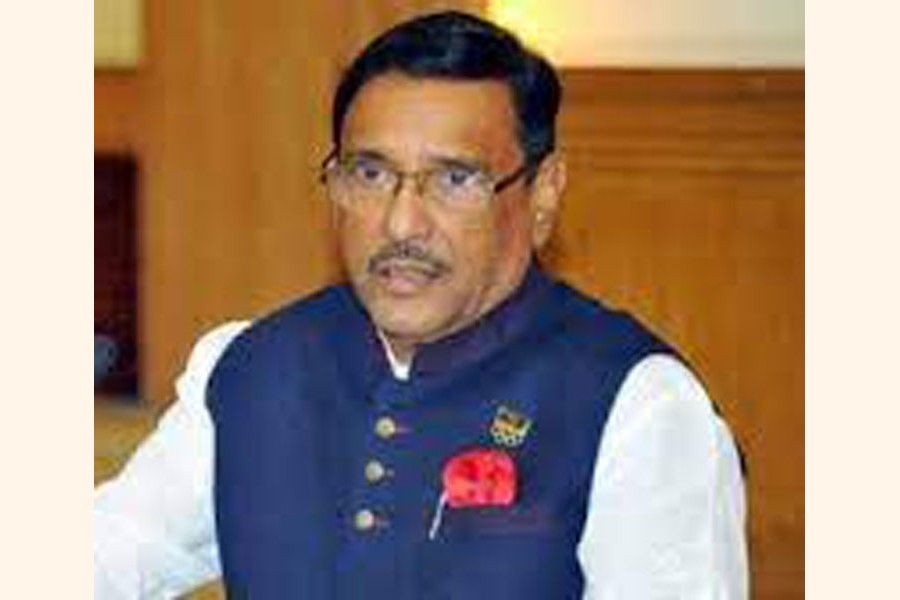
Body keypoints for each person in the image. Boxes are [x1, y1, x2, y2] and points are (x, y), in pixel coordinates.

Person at [94, 10, 747, 599]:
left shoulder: (637, 405)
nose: (402, 223)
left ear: (543, 193)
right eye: (371, 173)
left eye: (454, 179)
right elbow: (109, 554)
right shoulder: (252, 367)